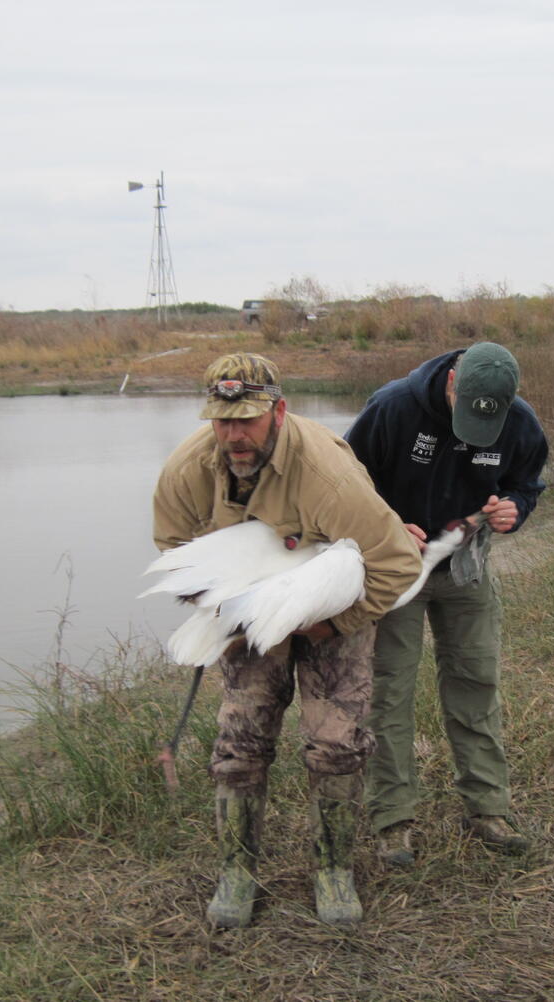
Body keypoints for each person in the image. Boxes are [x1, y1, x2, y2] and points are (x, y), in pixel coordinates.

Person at [152, 352, 422, 929]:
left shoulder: (328, 474)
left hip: (334, 606)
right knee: (240, 740)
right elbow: (174, 551)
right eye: (222, 421)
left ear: (280, 409)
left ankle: (332, 869)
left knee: (337, 743)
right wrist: (222, 613)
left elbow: (398, 565)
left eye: (247, 419)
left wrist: (330, 625)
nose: (234, 434)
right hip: (251, 609)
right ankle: (238, 872)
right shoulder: (187, 471)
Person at [344, 342, 548, 865]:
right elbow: (345, 485)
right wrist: (384, 524)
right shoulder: (392, 408)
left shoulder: (518, 421)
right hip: (395, 575)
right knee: (389, 693)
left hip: (465, 571)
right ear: (453, 380)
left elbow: (526, 482)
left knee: (476, 681)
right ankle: (393, 819)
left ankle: (487, 808)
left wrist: (513, 509)